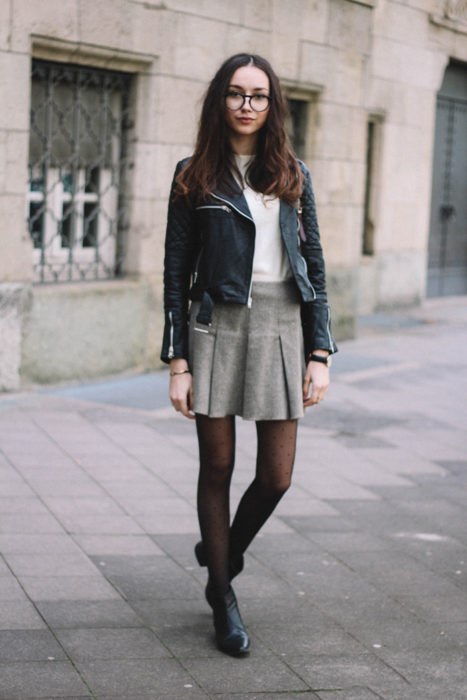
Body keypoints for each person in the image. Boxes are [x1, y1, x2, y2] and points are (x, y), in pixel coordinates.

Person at [161, 53, 337, 656]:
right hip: (215, 326)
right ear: (221, 101)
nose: (247, 105)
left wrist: (321, 349)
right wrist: (177, 362)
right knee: (217, 466)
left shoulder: (293, 174)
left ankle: (224, 555)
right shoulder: (193, 175)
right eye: (236, 94)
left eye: (259, 96)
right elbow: (176, 273)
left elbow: (313, 267)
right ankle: (224, 599)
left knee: (277, 476)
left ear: (272, 105)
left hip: (283, 325)